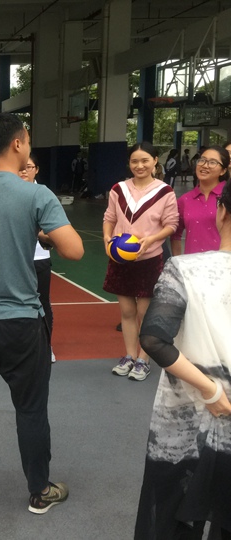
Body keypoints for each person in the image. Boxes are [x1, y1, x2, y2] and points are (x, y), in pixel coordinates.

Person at [0, 113, 84, 512]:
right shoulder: (36, 195)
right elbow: (75, 250)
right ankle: (39, 491)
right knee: (30, 409)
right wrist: (43, 235)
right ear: (18, 144)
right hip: (21, 323)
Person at [134, 180, 231, 540]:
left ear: (222, 212)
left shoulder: (184, 269)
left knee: (169, 519)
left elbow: (153, 338)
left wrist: (210, 390)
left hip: (183, 425)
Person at [104, 142, 178, 382]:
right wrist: (107, 238)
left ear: (155, 161)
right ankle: (129, 355)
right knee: (127, 311)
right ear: (129, 163)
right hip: (121, 259)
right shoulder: (118, 189)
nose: (140, 165)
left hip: (149, 259)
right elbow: (109, 218)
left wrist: (151, 239)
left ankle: (143, 360)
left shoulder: (165, 192)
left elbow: (171, 224)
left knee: (145, 312)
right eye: (134, 161)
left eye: (145, 160)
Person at [19, 153, 56, 362]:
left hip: (39, 258)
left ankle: (46, 345)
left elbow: (53, 232)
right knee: (15, 302)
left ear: (37, 170)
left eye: (29, 167)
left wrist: (39, 234)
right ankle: (21, 346)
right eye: (21, 167)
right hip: (15, 258)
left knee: (42, 302)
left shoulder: (44, 195)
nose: (24, 171)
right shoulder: (11, 194)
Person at [171, 145, 229, 256]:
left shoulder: (228, 196)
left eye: (212, 162)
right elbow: (176, 235)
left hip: (224, 263)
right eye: (202, 160)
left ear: (223, 171)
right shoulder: (185, 200)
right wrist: (178, 262)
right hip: (192, 264)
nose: (205, 165)